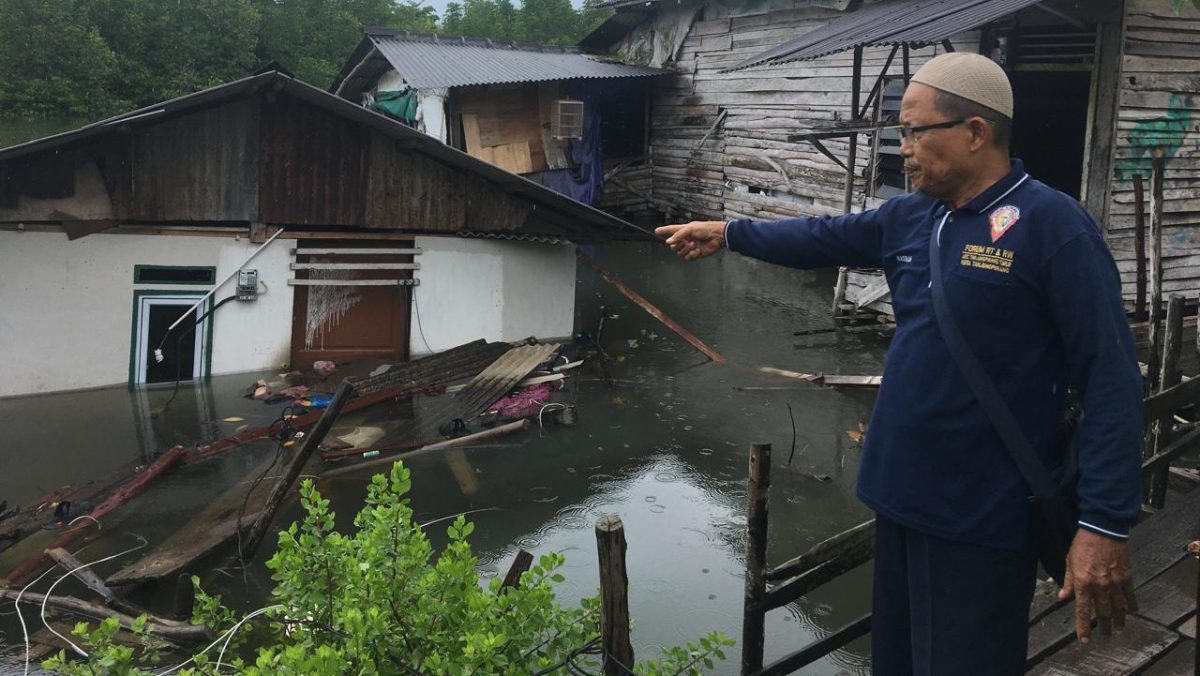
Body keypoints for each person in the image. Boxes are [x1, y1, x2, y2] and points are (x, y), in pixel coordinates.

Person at [656, 52, 1143, 675]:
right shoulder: (913, 216)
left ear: (975, 133)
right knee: (898, 661)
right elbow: (820, 236)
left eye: (915, 132)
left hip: (983, 516)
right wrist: (727, 232)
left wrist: (1103, 523)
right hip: (900, 495)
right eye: (901, 133)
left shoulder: (1054, 228)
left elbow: (1112, 381)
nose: (903, 148)